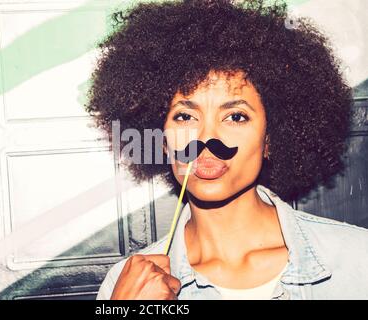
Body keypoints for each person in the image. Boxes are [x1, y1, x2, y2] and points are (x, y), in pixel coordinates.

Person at [85, 0, 368, 299]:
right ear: (163, 141)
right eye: (185, 116)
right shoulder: (125, 285)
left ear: (271, 138)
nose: (207, 138)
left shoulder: (357, 260)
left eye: (235, 117)